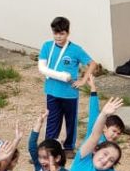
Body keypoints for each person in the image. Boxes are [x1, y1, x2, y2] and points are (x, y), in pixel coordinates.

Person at [37, 16, 93, 147]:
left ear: (68, 33)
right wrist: (62, 76)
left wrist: (83, 80)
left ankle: (68, 147)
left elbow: (92, 64)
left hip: (69, 93)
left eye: (61, 33)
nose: (58, 37)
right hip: (52, 91)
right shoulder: (47, 46)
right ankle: (49, 147)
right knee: (52, 121)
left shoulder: (75, 49)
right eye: (55, 33)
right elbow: (42, 68)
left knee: (70, 121)